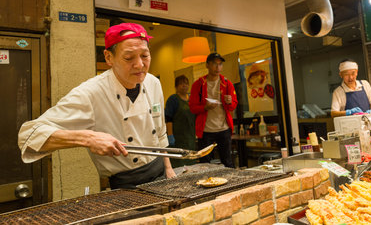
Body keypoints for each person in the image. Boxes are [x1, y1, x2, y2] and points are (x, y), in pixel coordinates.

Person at [18, 23, 176, 189]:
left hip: (160, 173)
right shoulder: (91, 93)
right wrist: (88, 138)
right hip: (125, 185)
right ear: (109, 57)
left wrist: (168, 169)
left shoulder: (153, 83)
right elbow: (28, 136)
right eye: (129, 58)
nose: (139, 65)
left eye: (144, 55)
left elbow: (160, 133)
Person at [189, 53, 238, 168]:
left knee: (227, 162)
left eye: (220, 64)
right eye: (214, 64)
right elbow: (192, 108)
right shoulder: (198, 84)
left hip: (224, 129)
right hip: (206, 131)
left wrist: (230, 101)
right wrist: (205, 107)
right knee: (205, 164)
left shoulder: (227, 83)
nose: (218, 67)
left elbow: (233, 106)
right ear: (207, 65)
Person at [165, 75, 196, 167]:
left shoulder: (192, 99)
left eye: (186, 83)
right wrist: (170, 136)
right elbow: (168, 119)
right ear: (176, 86)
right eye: (181, 84)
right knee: (179, 165)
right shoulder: (173, 99)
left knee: (191, 163)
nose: (184, 86)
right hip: (177, 138)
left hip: (190, 137)